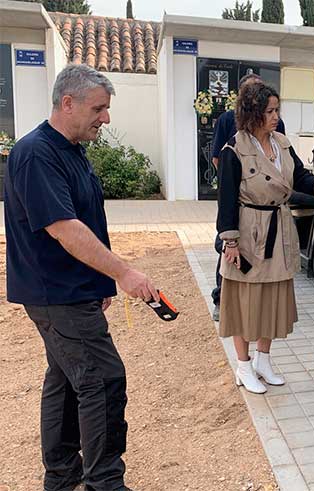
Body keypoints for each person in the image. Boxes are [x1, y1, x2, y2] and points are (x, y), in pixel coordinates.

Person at [4, 64, 159, 491]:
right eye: (99, 108)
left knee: (65, 380)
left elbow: (85, 219)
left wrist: (99, 283)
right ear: (68, 103)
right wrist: (123, 273)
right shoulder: (37, 154)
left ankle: (62, 476)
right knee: (103, 381)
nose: (105, 118)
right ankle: (104, 482)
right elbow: (65, 228)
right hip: (57, 294)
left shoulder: (70, 149)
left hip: (71, 290)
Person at [216, 80, 314, 393]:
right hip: (248, 231)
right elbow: (226, 198)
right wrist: (230, 242)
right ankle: (243, 366)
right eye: (269, 111)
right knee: (244, 301)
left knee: (272, 298)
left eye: (276, 110)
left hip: (278, 227)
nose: (275, 116)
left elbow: (299, 175)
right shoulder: (234, 149)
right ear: (253, 112)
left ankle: (263, 360)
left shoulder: (281, 143)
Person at [209, 74, 285, 321]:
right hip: (239, 201)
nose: (274, 114)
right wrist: (236, 183)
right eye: (252, 91)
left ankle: (261, 307)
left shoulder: (277, 126)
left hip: (268, 209)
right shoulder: (227, 120)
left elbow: (281, 162)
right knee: (229, 253)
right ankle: (222, 299)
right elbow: (218, 158)